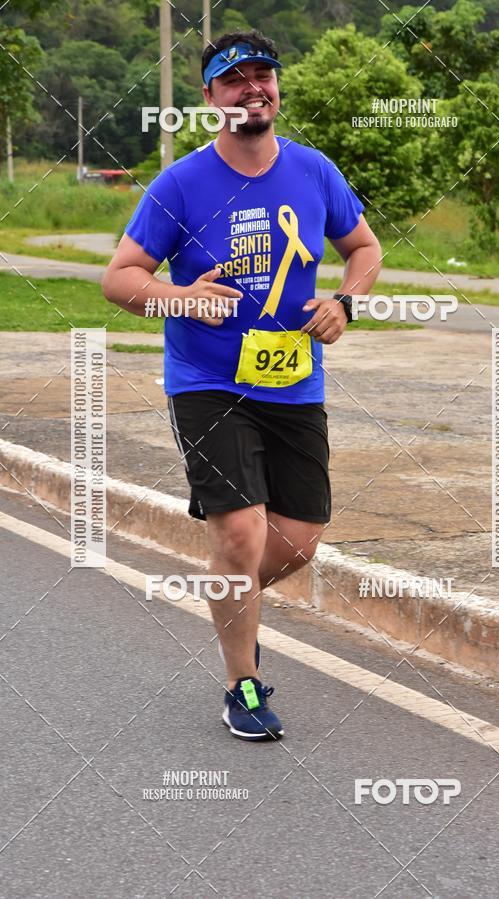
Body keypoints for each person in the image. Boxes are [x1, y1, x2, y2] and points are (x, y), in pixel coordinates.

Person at [102, 30, 381, 741]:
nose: (253, 89)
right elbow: (120, 279)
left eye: (264, 75)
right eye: (235, 80)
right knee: (239, 530)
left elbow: (365, 248)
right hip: (206, 382)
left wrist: (345, 301)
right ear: (210, 98)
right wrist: (180, 297)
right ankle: (242, 684)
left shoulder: (314, 171)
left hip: (292, 382)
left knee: (300, 539)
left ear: (277, 87)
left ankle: (230, 598)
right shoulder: (180, 184)